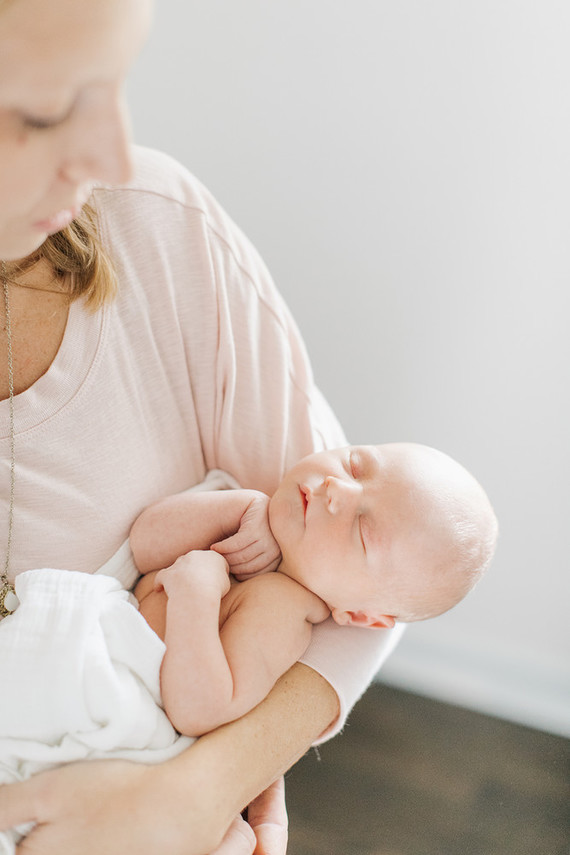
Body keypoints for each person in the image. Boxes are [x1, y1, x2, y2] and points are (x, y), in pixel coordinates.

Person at [0, 1, 405, 853]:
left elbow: (380, 567)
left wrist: (201, 786)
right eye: (42, 111)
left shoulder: (159, 223)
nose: (111, 154)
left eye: (115, 80)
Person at [131, 442, 498, 736]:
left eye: (361, 529)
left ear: (358, 615)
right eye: (355, 465)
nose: (338, 488)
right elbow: (143, 543)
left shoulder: (281, 608)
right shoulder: (241, 501)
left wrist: (194, 595)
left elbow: (200, 710)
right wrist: (240, 508)